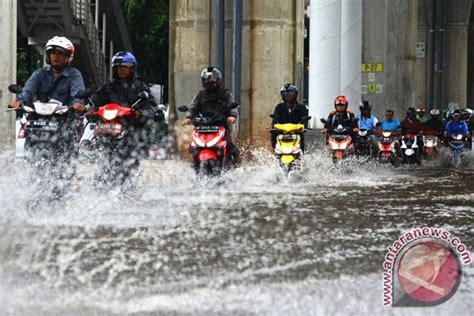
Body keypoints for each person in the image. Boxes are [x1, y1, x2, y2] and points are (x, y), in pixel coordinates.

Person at [9, 36, 86, 156]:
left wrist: (77, 104)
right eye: (53, 53)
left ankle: (69, 165)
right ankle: (27, 161)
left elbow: (78, 93)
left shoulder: (74, 75)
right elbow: (28, 90)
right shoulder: (40, 73)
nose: (56, 56)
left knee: (69, 140)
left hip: (63, 118)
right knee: (25, 131)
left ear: (68, 57)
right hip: (38, 118)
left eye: (60, 53)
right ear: (48, 56)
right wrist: (19, 101)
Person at [89, 51, 161, 167]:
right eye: (118, 67)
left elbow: (151, 106)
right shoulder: (108, 88)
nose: (121, 70)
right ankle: (88, 147)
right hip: (110, 125)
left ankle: (136, 159)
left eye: (125, 67)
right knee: (92, 130)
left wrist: (140, 113)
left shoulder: (140, 87)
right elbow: (95, 101)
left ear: (132, 69)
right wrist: (91, 109)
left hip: (131, 125)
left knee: (142, 133)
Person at [182, 66, 239, 167]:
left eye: (211, 79)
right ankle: (195, 166)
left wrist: (232, 116)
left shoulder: (226, 94)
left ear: (218, 80)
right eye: (206, 80)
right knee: (192, 147)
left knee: (231, 147)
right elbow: (193, 107)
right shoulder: (200, 95)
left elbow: (232, 105)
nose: (208, 82)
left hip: (220, 125)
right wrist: (188, 117)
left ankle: (234, 167)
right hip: (202, 126)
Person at [270, 83, 308, 151]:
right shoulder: (279, 107)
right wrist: (273, 127)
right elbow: (274, 121)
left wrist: (303, 126)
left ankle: (301, 154)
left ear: (295, 94)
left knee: (301, 136)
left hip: (296, 132)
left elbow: (305, 121)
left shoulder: (301, 107)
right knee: (274, 134)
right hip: (282, 132)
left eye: (290, 93)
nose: (287, 95)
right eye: (284, 93)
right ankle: (274, 151)